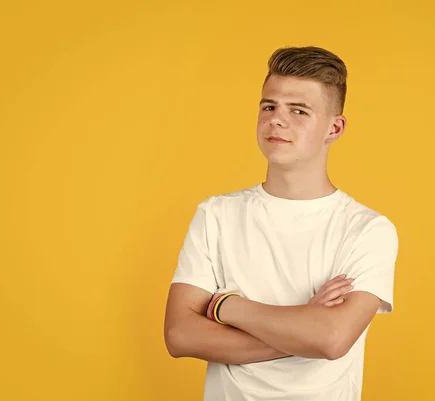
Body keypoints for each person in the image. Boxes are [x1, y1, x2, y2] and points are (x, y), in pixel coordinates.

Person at [163, 46, 399, 401]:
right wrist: (305, 323)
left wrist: (224, 306)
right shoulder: (216, 215)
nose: (277, 119)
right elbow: (180, 336)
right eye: (269, 106)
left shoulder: (368, 229)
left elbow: (332, 340)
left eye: (299, 110)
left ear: (334, 128)